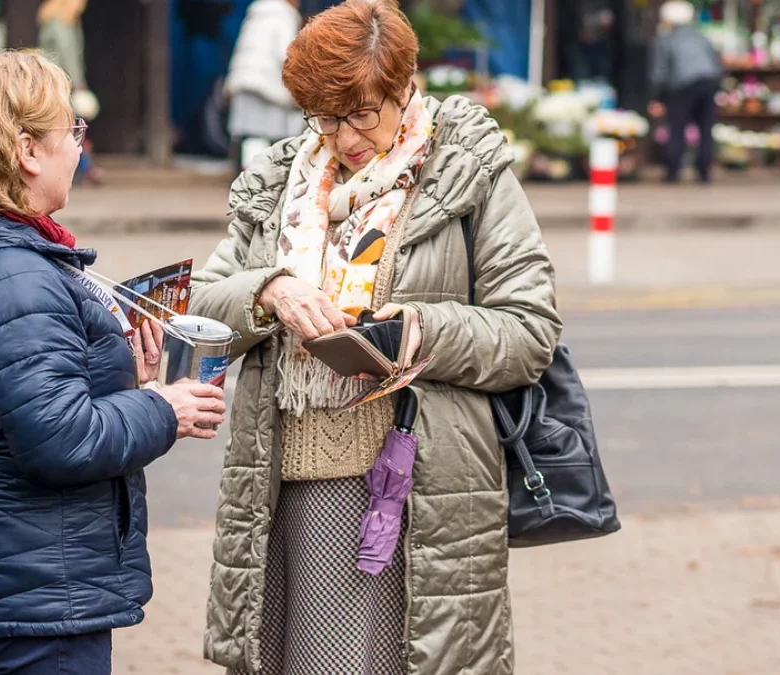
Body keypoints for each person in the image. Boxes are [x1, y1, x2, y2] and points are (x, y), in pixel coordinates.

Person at [190, 2, 561, 674]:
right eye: (324, 117)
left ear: (404, 86)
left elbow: (530, 330)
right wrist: (269, 290)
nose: (345, 136)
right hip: (278, 488)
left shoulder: (466, 171)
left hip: (412, 489)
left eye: (364, 111)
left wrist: (421, 328)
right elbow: (203, 308)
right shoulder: (281, 181)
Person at [0, 51, 227, 675]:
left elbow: (9, 402)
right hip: (38, 585)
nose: (80, 150)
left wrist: (124, 377)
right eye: (73, 133)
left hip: (4, 571)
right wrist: (160, 407)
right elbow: (60, 440)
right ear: (27, 150)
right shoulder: (12, 275)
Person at [650, 0, 724, 183]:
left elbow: (660, 70)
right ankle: (705, 171)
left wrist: (657, 97)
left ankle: (672, 172)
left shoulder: (666, 39)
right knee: (706, 129)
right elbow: (716, 61)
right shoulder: (701, 36)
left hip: (683, 85)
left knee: (676, 128)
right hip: (708, 82)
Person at [224, 0, 305, 168]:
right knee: (268, 139)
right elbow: (287, 54)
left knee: (247, 136)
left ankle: (246, 178)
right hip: (267, 87)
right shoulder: (283, 15)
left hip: (244, 83)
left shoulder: (256, 14)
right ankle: (260, 180)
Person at [38, 0, 102, 184]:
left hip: (53, 82)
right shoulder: (62, 24)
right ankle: (86, 168)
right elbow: (68, 55)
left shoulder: (49, 20)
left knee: (67, 128)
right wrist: (79, 83)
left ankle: (85, 168)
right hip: (63, 84)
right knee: (73, 128)